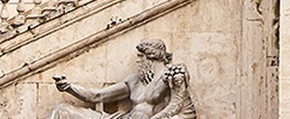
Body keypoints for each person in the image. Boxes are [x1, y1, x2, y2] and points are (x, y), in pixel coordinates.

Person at [48, 38, 196, 119]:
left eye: (140, 57)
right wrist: (68, 87)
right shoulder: (134, 80)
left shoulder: (172, 75)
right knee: (63, 111)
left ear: (151, 57)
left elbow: (183, 110)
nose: (138, 61)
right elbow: (97, 96)